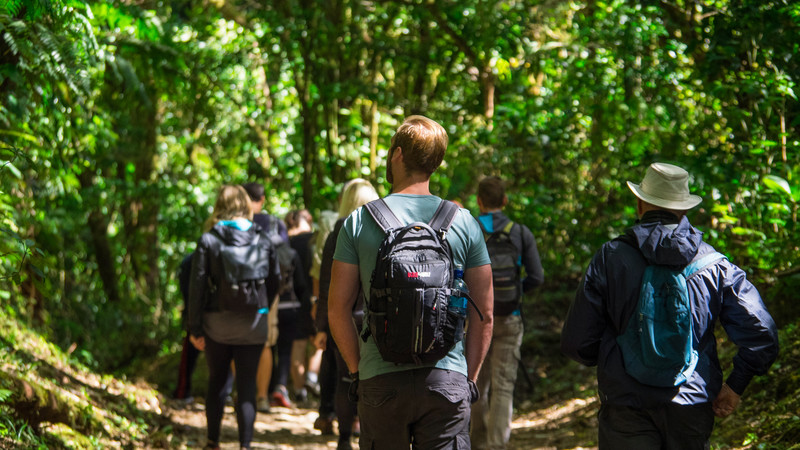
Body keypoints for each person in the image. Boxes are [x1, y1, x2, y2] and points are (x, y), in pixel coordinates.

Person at [561, 162, 780, 449]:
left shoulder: (610, 257)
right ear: (684, 208)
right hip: (691, 403)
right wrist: (735, 385)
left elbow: (577, 341)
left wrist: (611, 359)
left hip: (626, 405)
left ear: (640, 203)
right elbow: (761, 332)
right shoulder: (715, 265)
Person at [328, 115, 495, 449]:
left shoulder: (359, 222)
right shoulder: (464, 222)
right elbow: (485, 314)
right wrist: (468, 377)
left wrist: (358, 371)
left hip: (380, 378)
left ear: (398, 155)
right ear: (436, 163)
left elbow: (337, 309)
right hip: (447, 379)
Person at [187, 185, 282, 450]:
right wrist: (261, 306)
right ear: (245, 204)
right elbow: (275, 280)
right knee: (247, 384)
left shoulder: (209, 239)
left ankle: (212, 441)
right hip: (253, 324)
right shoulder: (262, 238)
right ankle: (245, 445)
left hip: (217, 324)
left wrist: (195, 328)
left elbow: (197, 286)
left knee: (218, 379)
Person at [471, 176, 544, 450]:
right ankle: (496, 445)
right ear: (504, 201)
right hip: (510, 316)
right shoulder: (520, 232)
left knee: (475, 382)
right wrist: (517, 292)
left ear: (479, 201)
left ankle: (477, 442)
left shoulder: (470, 228)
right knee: (503, 386)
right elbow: (537, 276)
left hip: (477, 317)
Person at [315, 178, 378, 450]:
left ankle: (344, 439)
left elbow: (327, 283)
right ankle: (369, 434)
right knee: (375, 377)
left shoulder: (338, 231)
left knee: (346, 378)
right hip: (376, 316)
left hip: (344, 317)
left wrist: (321, 326)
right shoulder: (384, 229)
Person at [242, 182, 287, 413]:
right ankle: (261, 397)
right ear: (262, 199)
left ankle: (241, 393)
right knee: (266, 342)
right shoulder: (274, 223)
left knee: (237, 340)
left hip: (238, 290)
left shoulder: (234, 223)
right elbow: (285, 256)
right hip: (268, 291)